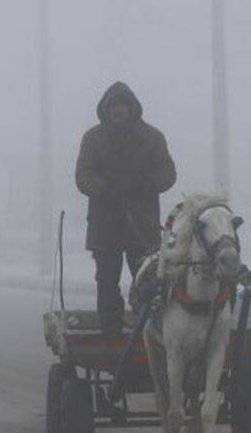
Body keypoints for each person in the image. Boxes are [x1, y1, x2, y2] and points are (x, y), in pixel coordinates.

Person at [75, 82, 177, 335]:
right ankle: (110, 332)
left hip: (141, 224)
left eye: (122, 106)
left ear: (132, 109)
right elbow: (83, 175)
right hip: (104, 223)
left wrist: (148, 184)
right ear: (106, 110)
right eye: (113, 107)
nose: (117, 111)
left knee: (147, 282)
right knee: (106, 282)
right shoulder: (92, 138)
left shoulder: (153, 138)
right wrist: (103, 189)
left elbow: (168, 172)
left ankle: (149, 331)